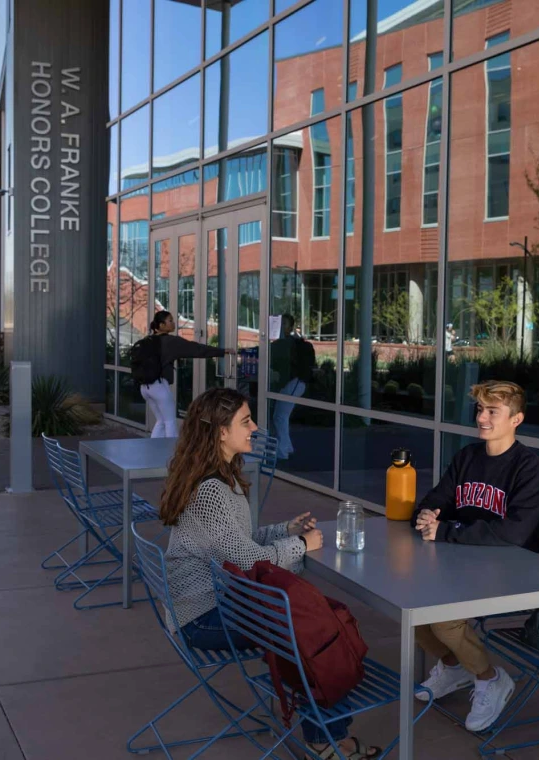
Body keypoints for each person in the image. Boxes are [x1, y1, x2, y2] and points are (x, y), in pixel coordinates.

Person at [159, 388, 381, 760]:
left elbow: (238, 544)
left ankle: (327, 734)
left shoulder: (221, 477)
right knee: (308, 635)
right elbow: (248, 561)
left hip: (214, 602)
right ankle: (326, 741)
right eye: (246, 421)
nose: (256, 427)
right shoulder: (212, 489)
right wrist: (302, 546)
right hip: (199, 617)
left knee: (311, 625)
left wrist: (286, 531)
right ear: (219, 432)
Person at [410, 380, 539, 732]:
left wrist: (447, 532)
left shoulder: (527, 468)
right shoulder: (467, 457)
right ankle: (455, 667)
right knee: (410, 604)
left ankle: (489, 678)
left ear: (516, 419)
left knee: (443, 618)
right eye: (480, 410)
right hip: (464, 562)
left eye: (492, 412)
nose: (482, 418)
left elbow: (515, 533)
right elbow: (437, 497)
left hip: (513, 569)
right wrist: (426, 515)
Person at [140, 310, 235, 438]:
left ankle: (153, 450)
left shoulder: (147, 340)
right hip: (159, 386)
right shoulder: (170, 341)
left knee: (161, 421)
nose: (174, 323)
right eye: (170, 321)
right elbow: (197, 349)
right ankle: (173, 454)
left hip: (145, 387)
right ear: (161, 325)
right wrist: (222, 352)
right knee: (170, 421)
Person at [270, 313, 316, 459]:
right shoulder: (284, 343)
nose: (281, 326)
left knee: (280, 416)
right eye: (280, 323)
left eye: (284, 324)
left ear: (290, 328)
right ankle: (287, 447)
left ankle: (282, 451)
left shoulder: (287, 343)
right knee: (281, 415)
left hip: (295, 383)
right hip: (294, 383)